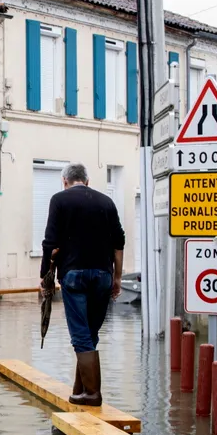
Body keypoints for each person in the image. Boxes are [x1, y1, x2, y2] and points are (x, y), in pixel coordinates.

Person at [39, 163, 125, 407]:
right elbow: (119, 242)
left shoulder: (59, 200)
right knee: (90, 334)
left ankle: (92, 394)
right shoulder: (106, 202)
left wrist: (44, 276)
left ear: (65, 181)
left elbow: (49, 243)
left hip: (73, 276)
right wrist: (117, 278)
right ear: (87, 181)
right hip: (102, 276)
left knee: (80, 336)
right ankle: (80, 389)